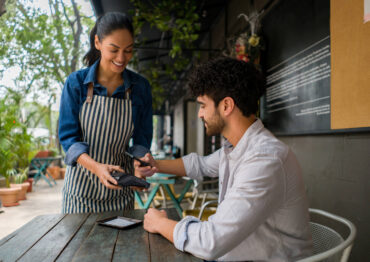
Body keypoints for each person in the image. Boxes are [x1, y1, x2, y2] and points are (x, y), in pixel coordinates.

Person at [136, 57, 312, 261]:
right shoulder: (237, 148)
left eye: (203, 105)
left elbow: (210, 242)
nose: (200, 114)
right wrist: (155, 165)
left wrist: (160, 223)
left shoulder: (265, 159)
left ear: (226, 105)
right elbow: (199, 165)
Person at [58, 12, 152, 213]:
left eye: (128, 50)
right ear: (98, 43)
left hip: (120, 192)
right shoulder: (76, 84)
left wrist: (141, 165)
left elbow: (141, 140)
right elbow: (68, 139)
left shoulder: (140, 87)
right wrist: (97, 168)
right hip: (80, 194)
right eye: (114, 49)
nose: (121, 58)